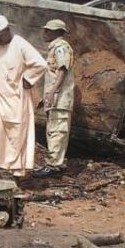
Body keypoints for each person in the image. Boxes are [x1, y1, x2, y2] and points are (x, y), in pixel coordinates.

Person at [0, 15, 47, 178]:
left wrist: (28, 79)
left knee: (14, 138)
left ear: (7, 31)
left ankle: (14, 173)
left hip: (15, 100)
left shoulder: (20, 45)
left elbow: (40, 64)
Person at [35, 19, 75, 178]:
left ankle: (54, 165)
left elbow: (62, 71)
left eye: (48, 31)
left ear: (57, 32)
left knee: (57, 131)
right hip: (56, 98)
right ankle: (56, 163)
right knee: (54, 130)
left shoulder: (61, 48)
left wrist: (52, 92)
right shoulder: (55, 48)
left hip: (60, 99)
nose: (44, 33)